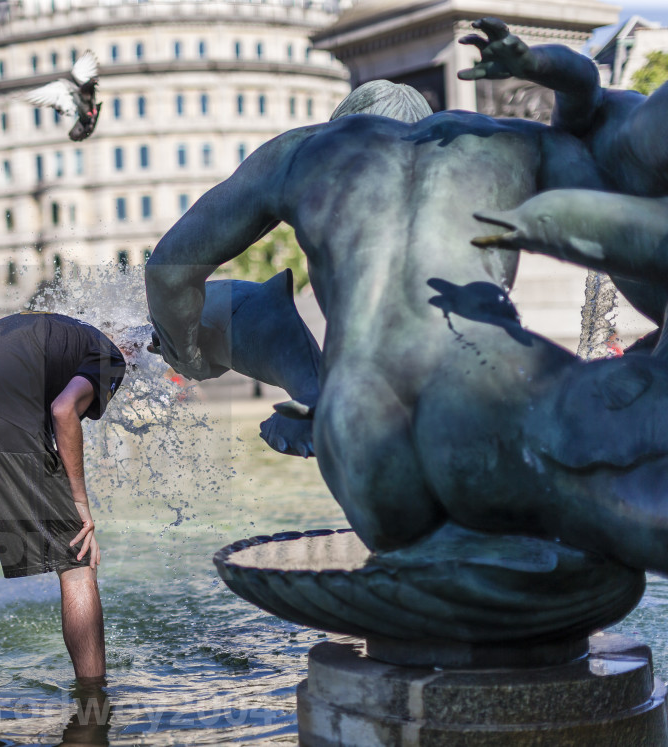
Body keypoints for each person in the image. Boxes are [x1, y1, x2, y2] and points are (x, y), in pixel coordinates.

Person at [145, 79, 668, 574]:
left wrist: (186, 354)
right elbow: (634, 229)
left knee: (228, 307)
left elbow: (168, 271)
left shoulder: (304, 153)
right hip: (508, 410)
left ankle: (315, 391)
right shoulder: (506, 141)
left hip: (367, 445)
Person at [0, 312, 127, 683]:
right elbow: (64, 411)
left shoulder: (49, 330)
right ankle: (93, 696)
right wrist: (80, 502)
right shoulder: (110, 354)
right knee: (77, 560)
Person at [458, 17, 668, 330]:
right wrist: (533, 63)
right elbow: (584, 83)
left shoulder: (615, 135)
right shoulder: (610, 130)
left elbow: (583, 83)